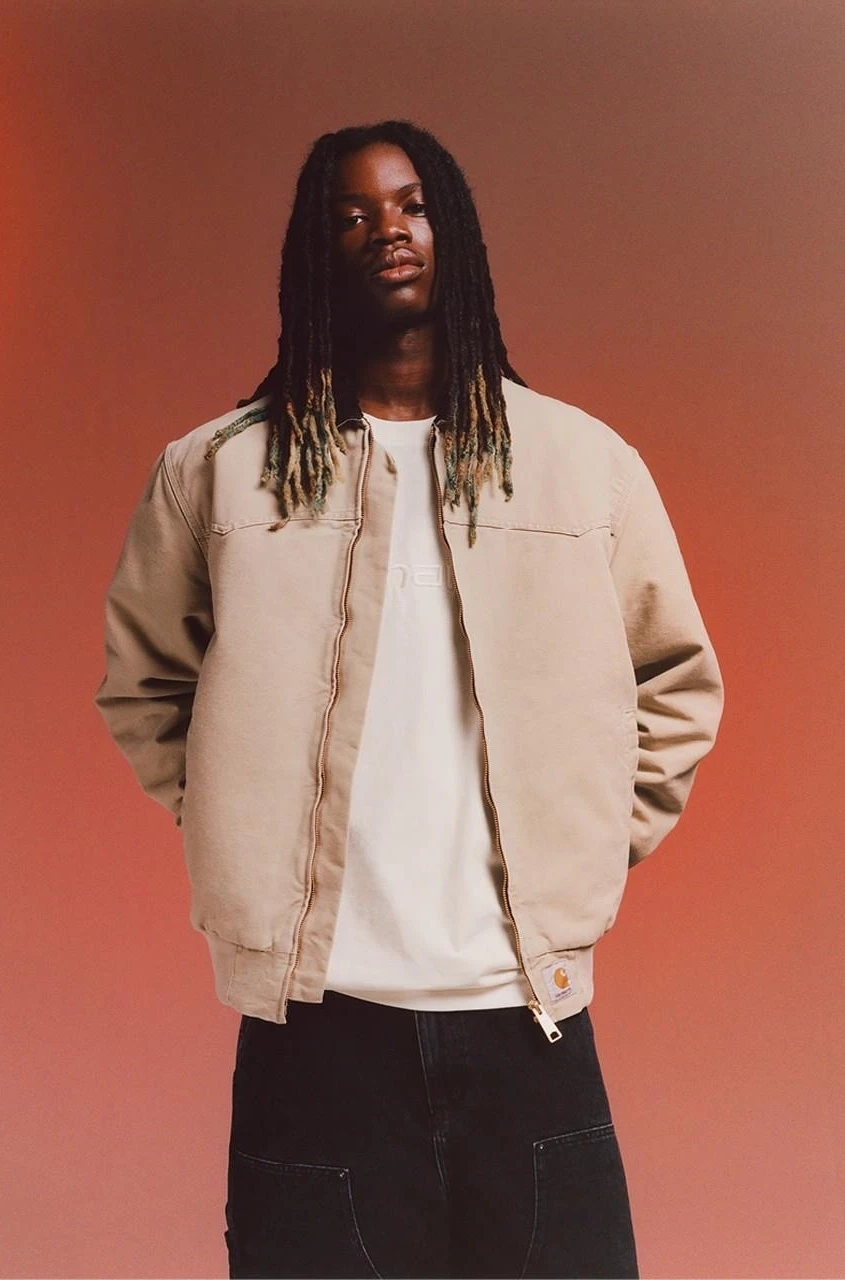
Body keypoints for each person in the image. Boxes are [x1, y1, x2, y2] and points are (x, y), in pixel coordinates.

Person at [93, 120, 724, 1279]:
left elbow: (675, 679)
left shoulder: (581, 465)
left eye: (411, 203)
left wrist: (585, 846)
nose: (386, 228)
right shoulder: (218, 471)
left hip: (526, 1026)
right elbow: (146, 683)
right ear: (313, 254)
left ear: (454, 233)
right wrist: (244, 823)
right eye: (351, 213)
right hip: (315, 1032)